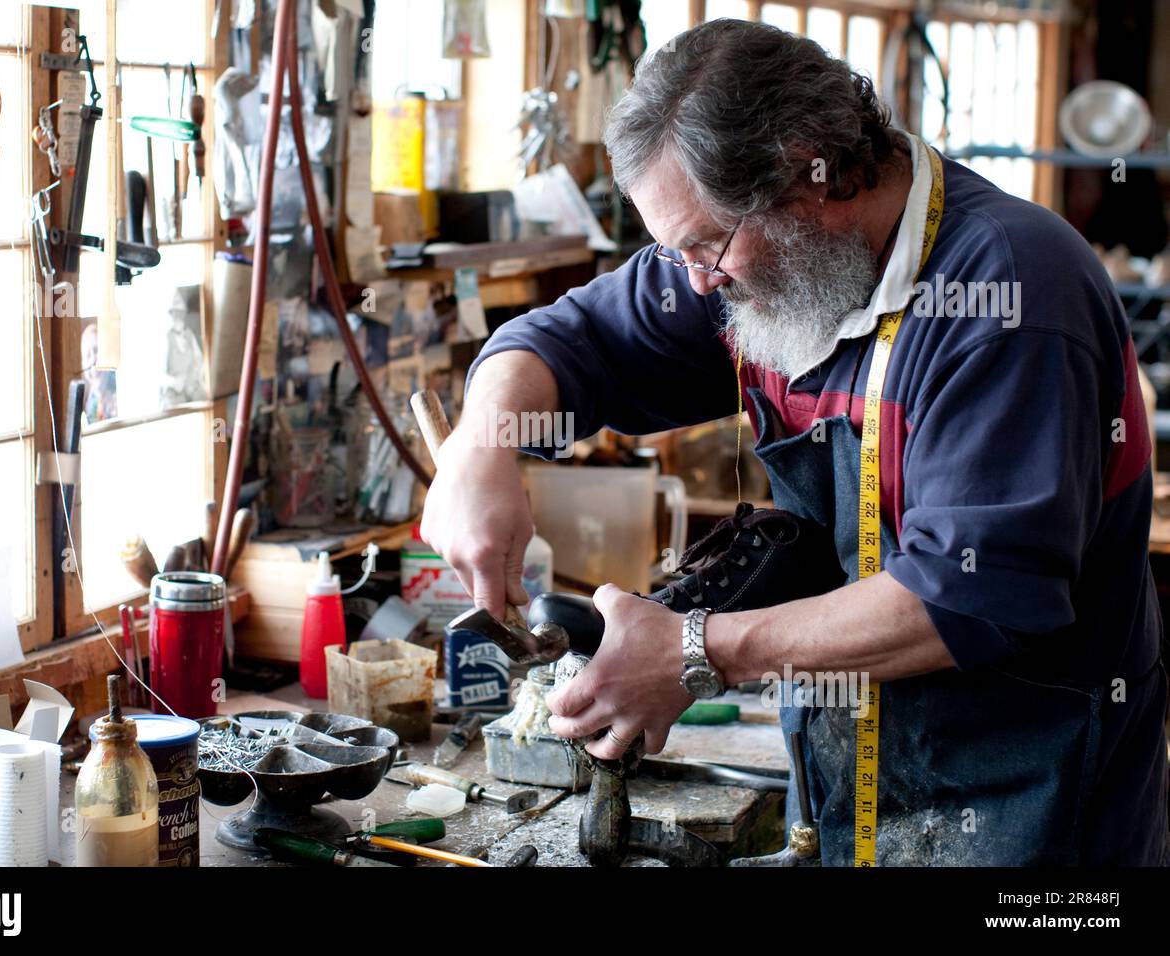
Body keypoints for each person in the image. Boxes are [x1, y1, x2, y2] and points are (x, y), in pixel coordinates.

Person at [418, 19, 1169, 865]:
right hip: (848, 767)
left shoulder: (1009, 292)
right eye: (678, 252)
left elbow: (974, 591)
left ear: (813, 175)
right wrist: (482, 448)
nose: (696, 280)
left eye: (707, 246)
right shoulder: (765, 265)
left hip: (1029, 797)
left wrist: (696, 652)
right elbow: (567, 341)